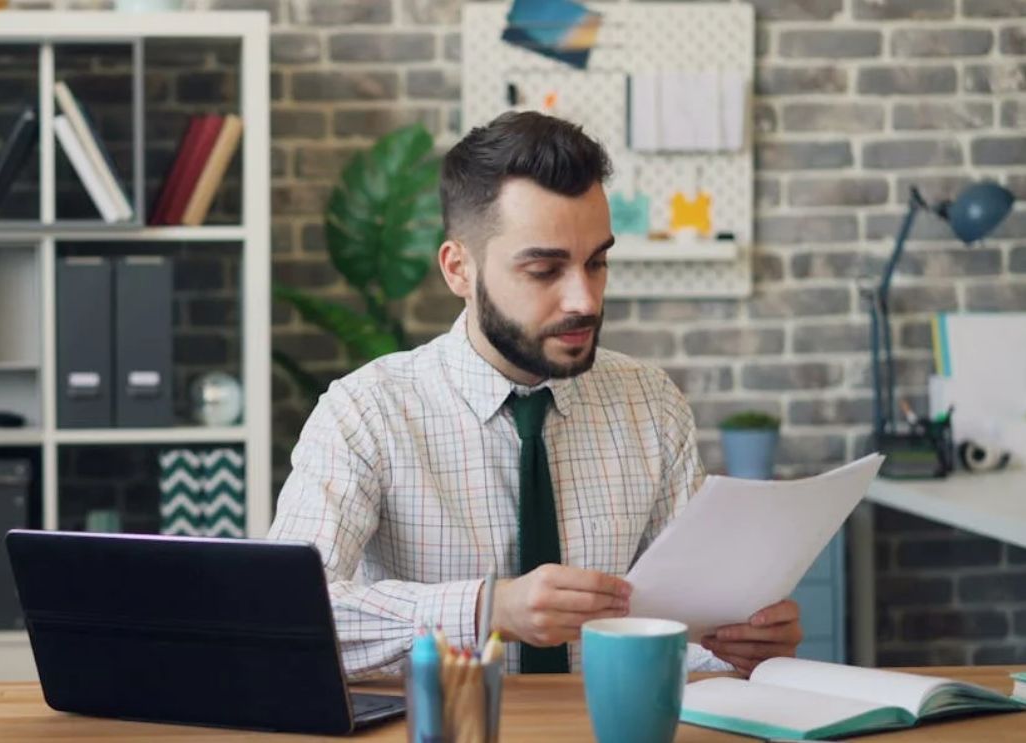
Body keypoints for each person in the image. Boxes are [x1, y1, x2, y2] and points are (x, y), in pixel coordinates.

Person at [268, 111, 802, 679]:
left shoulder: (652, 404)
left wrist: (735, 644)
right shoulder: (366, 412)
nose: (585, 300)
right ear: (459, 270)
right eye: (545, 270)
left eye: (596, 262)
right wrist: (487, 609)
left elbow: (682, 622)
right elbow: (285, 613)